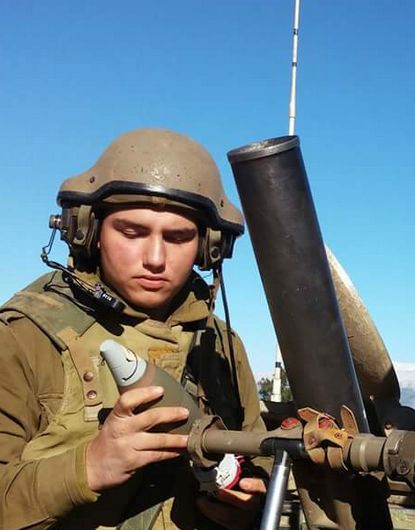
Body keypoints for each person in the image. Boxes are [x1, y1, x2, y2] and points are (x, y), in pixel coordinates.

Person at [0, 128, 268, 529]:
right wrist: (88, 467)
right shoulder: (24, 336)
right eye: (132, 232)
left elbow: (258, 456)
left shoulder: (221, 346)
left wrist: (251, 500)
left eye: (178, 237)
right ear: (89, 231)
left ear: (208, 247)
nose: (155, 258)